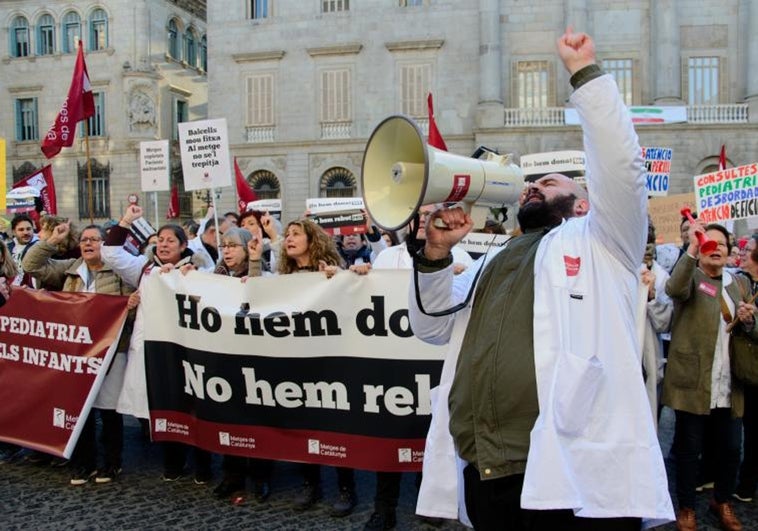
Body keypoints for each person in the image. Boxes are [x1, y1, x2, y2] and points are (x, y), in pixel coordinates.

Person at [407, 29, 673, 530]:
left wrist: (586, 75)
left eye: (550, 182)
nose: (533, 186)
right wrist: (435, 255)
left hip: (574, 469)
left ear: (584, 202)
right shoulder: (494, 256)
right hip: (486, 467)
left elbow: (622, 168)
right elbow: (432, 326)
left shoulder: (601, 240)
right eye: (530, 182)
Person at [250, 218, 357, 515]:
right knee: (301, 427)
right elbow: (257, 296)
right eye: (288, 235)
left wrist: (348, 276)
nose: (289, 239)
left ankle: (346, 488)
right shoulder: (284, 277)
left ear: (313, 240)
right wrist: (256, 260)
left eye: (297, 234)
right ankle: (310, 484)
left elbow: (354, 296)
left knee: (335, 429)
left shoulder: (332, 272)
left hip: (330, 365)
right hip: (296, 365)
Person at [101, 205, 213, 483]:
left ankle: (203, 465)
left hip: (188, 351)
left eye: (170, 241)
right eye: (160, 240)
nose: (163, 245)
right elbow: (111, 253)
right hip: (153, 349)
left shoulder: (198, 269)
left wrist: (193, 270)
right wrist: (127, 220)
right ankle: (172, 462)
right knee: (164, 405)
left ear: (184, 245)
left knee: (193, 407)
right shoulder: (144, 269)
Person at [22, 222, 138, 485]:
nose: (88, 244)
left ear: (105, 246)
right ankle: (82, 463)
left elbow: (130, 312)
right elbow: (31, 266)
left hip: (111, 352)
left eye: (95, 240)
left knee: (108, 409)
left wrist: (129, 306)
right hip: (76, 354)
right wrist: (52, 240)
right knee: (80, 410)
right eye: (84, 239)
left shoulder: (119, 272)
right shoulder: (70, 269)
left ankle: (111, 462)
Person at [663, 222, 754, 531]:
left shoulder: (738, 284)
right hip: (693, 381)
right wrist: (690, 249)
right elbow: (674, 289)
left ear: (730, 252)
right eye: (708, 243)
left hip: (730, 383)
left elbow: (752, 331)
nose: (716, 249)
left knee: (730, 449)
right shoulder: (690, 277)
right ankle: (687, 507)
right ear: (700, 249)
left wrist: (749, 321)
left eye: (722, 245)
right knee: (689, 449)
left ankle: (722, 501)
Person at [205, 226, 274, 502]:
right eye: (224, 246)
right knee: (229, 419)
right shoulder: (216, 277)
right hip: (225, 358)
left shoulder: (266, 275)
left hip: (256, 360)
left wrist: (255, 262)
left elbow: (256, 298)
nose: (227, 251)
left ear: (247, 248)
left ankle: (261, 476)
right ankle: (232, 475)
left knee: (257, 421)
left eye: (233, 245)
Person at [733, 236, 758, 504]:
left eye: (748, 251)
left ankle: (747, 483)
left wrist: (753, 323)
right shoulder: (737, 280)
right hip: (742, 368)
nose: (742, 253)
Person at [7, 213, 38, 288]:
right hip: (8, 290)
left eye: (28, 229)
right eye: (21, 230)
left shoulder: (38, 247)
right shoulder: (7, 247)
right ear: (14, 232)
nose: (26, 232)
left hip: (29, 292)